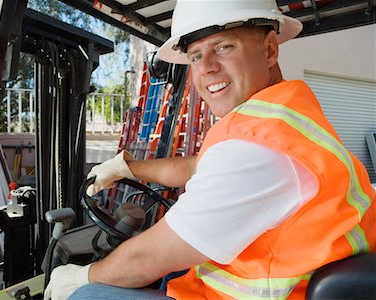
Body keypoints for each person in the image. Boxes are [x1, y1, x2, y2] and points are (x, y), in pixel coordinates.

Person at [45, 0, 376, 299]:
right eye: (195, 56)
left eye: (224, 47)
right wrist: (127, 168)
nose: (206, 68)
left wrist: (80, 275)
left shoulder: (255, 149)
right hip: (269, 280)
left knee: (90, 294)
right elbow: (195, 167)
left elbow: (146, 259)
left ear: (270, 49)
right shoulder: (276, 118)